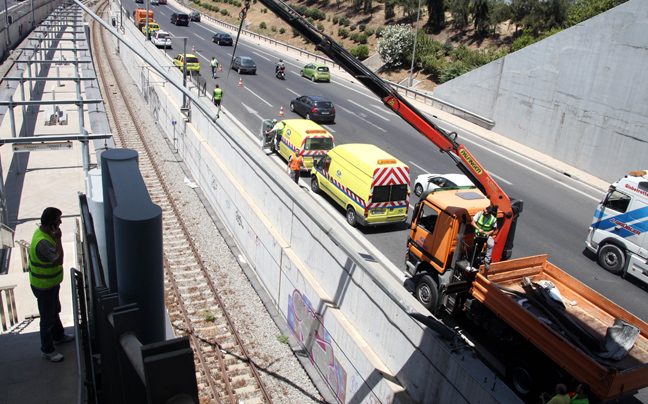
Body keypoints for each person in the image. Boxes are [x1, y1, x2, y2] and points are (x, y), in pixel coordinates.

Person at [29, 207, 74, 362]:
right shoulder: (44, 242)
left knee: (55, 310)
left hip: (50, 284)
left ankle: (59, 336)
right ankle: (47, 350)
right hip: (44, 286)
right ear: (52, 225)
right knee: (47, 319)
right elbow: (59, 260)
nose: (61, 222)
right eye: (58, 220)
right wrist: (58, 239)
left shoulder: (42, 232)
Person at [471, 205, 497, 269]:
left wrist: (489, 233)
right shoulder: (479, 214)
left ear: (488, 214)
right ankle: (475, 259)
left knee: (491, 244)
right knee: (477, 246)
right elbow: (473, 223)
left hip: (486, 235)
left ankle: (487, 261)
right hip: (479, 234)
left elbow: (494, 228)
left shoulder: (493, 219)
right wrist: (479, 229)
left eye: (485, 212)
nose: (483, 213)